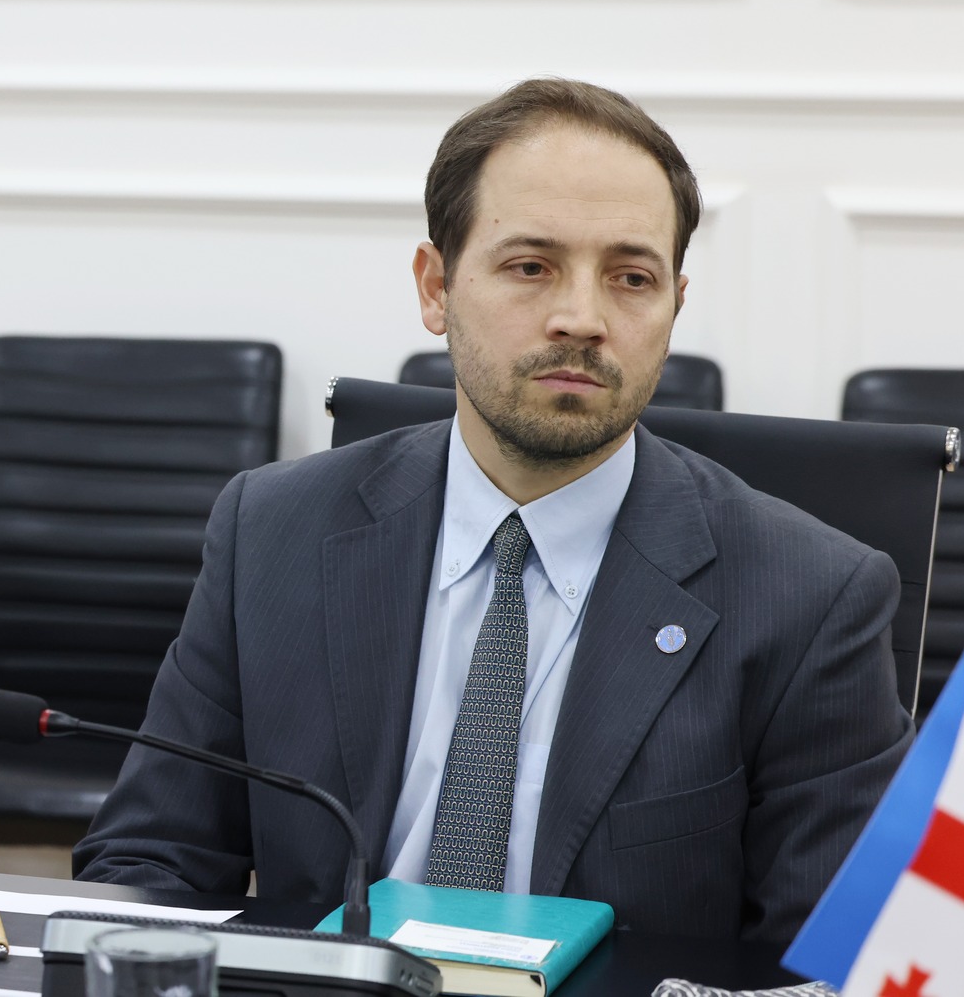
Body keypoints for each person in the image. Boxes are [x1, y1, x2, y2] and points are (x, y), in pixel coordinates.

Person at [73, 79, 912, 941]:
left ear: (672, 308)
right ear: (436, 287)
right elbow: (153, 860)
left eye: (631, 278)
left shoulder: (809, 597)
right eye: (530, 267)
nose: (581, 318)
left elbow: (829, 961)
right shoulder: (273, 531)